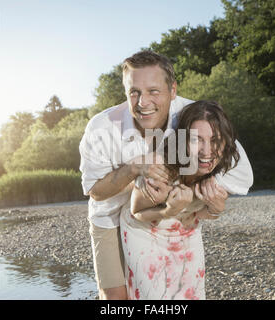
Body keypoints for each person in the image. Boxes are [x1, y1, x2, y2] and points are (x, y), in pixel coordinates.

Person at [79, 50, 253, 300]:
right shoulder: (101, 128)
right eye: (134, 92)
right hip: (110, 217)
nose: (142, 102)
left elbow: (240, 170)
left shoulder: (190, 115)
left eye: (153, 91)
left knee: (176, 293)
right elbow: (95, 191)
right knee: (116, 300)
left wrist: (207, 197)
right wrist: (134, 168)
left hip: (164, 211)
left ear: (173, 90)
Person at [120, 100, 239, 300]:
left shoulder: (221, 172)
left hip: (185, 230)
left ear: (226, 142)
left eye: (215, 140)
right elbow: (136, 211)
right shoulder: (163, 169)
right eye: (196, 140)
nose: (207, 151)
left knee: (190, 294)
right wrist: (168, 211)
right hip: (143, 230)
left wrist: (215, 210)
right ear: (182, 140)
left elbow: (195, 213)